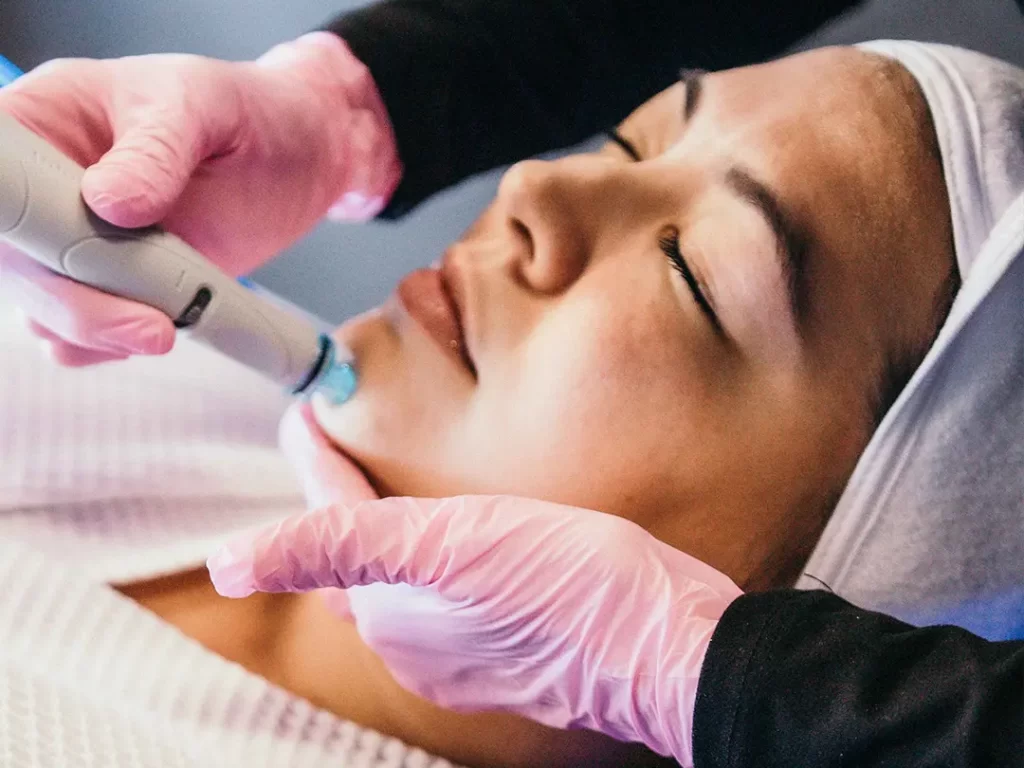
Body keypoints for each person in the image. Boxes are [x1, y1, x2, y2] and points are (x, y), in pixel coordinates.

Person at [0, 0, 1019, 761]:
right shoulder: (169, 373)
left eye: (693, 277)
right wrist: (347, 102)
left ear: (805, 610)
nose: (538, 185)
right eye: (631, 140)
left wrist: (700, 668)